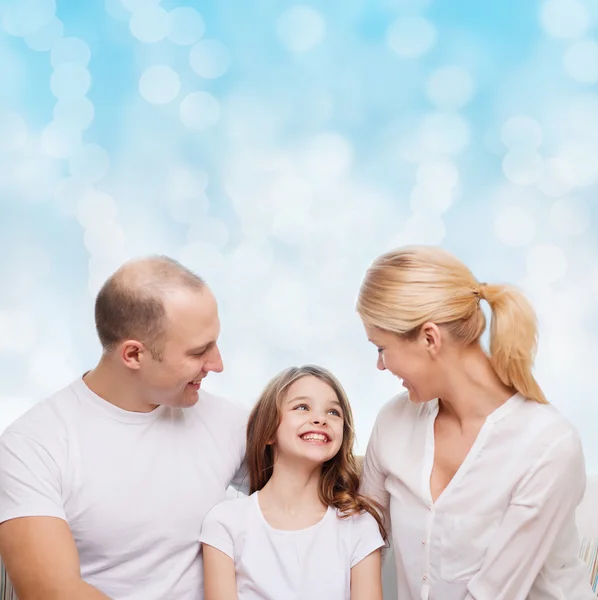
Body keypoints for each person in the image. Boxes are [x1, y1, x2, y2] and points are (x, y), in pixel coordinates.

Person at [0, 256, 248, 600]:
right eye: (199, 351)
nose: (217, 364)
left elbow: (323, 491)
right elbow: (51, 591)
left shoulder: (229, 422)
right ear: (133, 355)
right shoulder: (33, 445)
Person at [357, 245, 594, 600]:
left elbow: (494, 593)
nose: (380, 365)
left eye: (381, 348)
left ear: (429, 338)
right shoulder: (393, 422)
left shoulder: (548, 446)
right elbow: (361, 541)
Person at [200, 365, 386, 600]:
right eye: (302, 407)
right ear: (267, 432)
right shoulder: (225, 523)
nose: (320, 419)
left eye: (333, 412)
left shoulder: (359, 525)